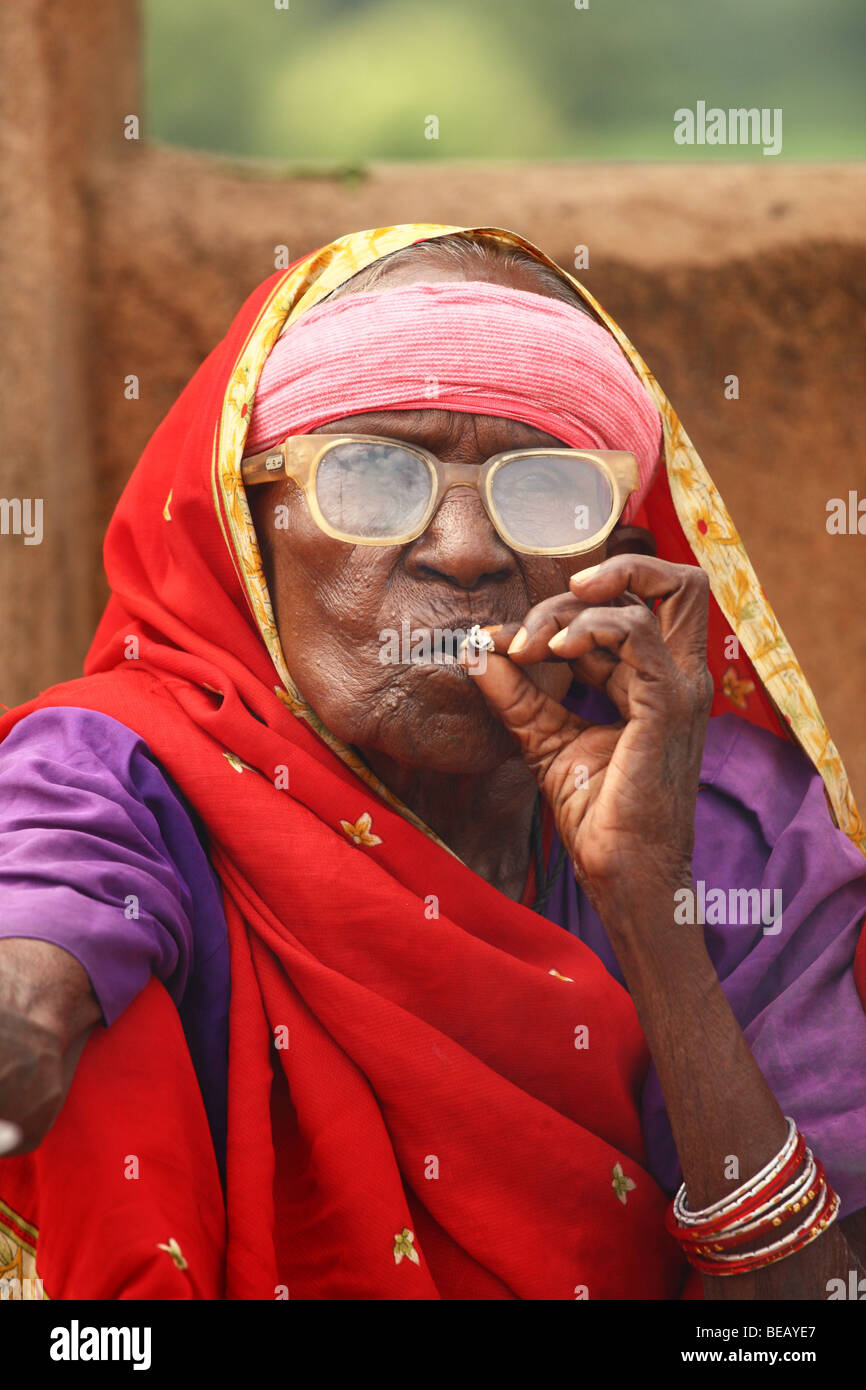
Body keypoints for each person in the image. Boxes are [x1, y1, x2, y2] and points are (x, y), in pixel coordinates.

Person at [0, 223, 864, 1302]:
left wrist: (653, 908)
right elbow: (37, 942)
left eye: (546, 488)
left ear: (612, 551)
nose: (466, 549)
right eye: (369, 477)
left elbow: (806, 1309)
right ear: (248, 517)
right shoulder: (129, 768)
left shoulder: (736, 828)